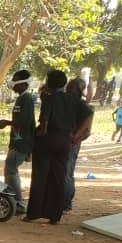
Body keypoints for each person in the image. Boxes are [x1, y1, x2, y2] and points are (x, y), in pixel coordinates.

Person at [25, 70, 92, 224]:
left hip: (48, 139)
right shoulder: (73, 99)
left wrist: (41, 133)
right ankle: (55, 215)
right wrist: (77, 136)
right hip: (65, 141)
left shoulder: (49, 98)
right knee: (58, 177)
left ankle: (33, 213)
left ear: (49, 83)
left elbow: (45, 121)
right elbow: (88, 114)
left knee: (40, 177)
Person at [0, 70, 34, 215]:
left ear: (24, 84)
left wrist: (6, 122)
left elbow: (25, 121)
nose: (12, 83)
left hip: (22, 142)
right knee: (10, 169)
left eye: (16, 81)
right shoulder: (21, 99)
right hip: (18, 141)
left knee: (11, 169)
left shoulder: (26, 99)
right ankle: (13, 200)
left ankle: (18, 202)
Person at [64, 78, 93, 213]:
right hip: (70, 142)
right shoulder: (77, 104)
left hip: (71, 142)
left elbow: (87, 130)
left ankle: (66, 201)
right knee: (66, 171)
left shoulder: (82, 106)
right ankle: (64, 200)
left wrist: (75, 138)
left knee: (67, 171)